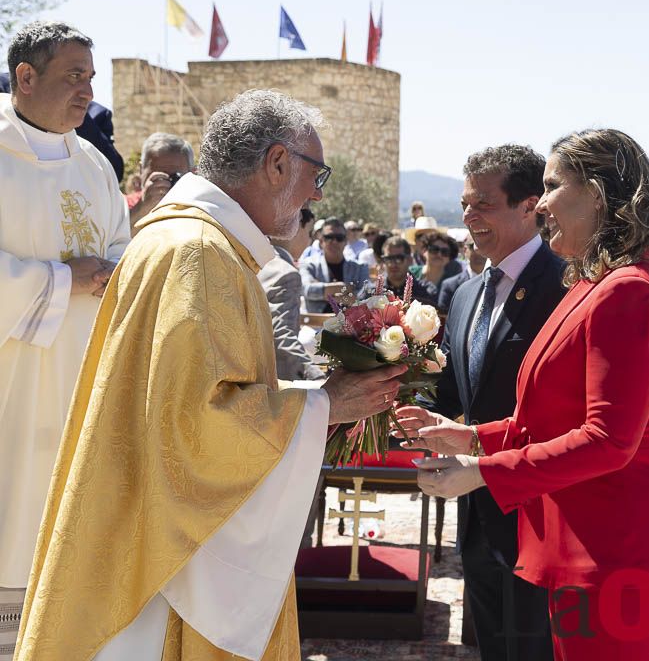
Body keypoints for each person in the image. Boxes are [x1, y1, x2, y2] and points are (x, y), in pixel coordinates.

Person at [15, 90, 408, 660]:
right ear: (276, 163)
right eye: (314, 174)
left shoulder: (189, 240)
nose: (316, 194)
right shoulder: (198, 252)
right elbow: (193, 425)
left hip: (140, 523)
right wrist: (327, 405)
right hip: (161, 570)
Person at [399, 129, 649, 659]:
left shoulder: (626, 290)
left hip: (617, 550)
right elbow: (552, 418)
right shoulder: (593, 283)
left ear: (600, 194)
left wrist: (481, 472)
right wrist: (471, 437)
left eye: (552, 186)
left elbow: (608, 440)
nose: (539, 203)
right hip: (588, 544)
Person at [0, 22, 130, 659]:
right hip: (11, 383)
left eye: (90, 76)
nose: (87, 89)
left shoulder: (94, 165)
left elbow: (120, 254)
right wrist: (57, 280)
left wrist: (112, 276)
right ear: (25, 77)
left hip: (81, 374)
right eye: (72, 75)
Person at [417, 144, 564, 661]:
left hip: (542, 516)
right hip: (477, 513)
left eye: (483, 204)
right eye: (464, 204)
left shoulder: (568, 287)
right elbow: (458, 397)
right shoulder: (463, 295)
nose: (468, 217)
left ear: (530, 206)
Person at [258, 207, 323, 381]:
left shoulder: (256, 261)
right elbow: (282, 338)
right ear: (296, 228)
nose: (309, 241)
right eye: (309, 233)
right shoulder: (286, 273)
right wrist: (318, 380)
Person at [299, 217, 371, 313]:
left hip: (352, 325)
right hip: (316, 325)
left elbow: (366, 296)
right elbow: (306, 289)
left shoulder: (360, 267)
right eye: (329, 237)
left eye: (339, 238)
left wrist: (323, 290)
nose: (334, 242)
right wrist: (343, 288)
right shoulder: (309, 265)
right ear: (321, 241)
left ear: (345, 241)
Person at [126, 132, 195, 229]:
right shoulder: (122, 207)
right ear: (141, 170)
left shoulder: (199, 209)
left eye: (175, 177)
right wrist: (142, 207)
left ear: (192, 173)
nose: (166, 184)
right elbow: (113, 239)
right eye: (159, 177)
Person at [437, 235, 487, 311]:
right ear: (465, 250)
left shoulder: (499, 283)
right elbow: (443, 319)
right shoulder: (450, 286)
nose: (479, 252)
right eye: (473, 246)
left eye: (484, 246)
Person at [411, 232, 457, 308]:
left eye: (444, 252)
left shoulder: (452, 283)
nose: (439, 254)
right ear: (424, 251)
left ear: (449, 257)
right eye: (434, 249)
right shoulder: (411, 274)